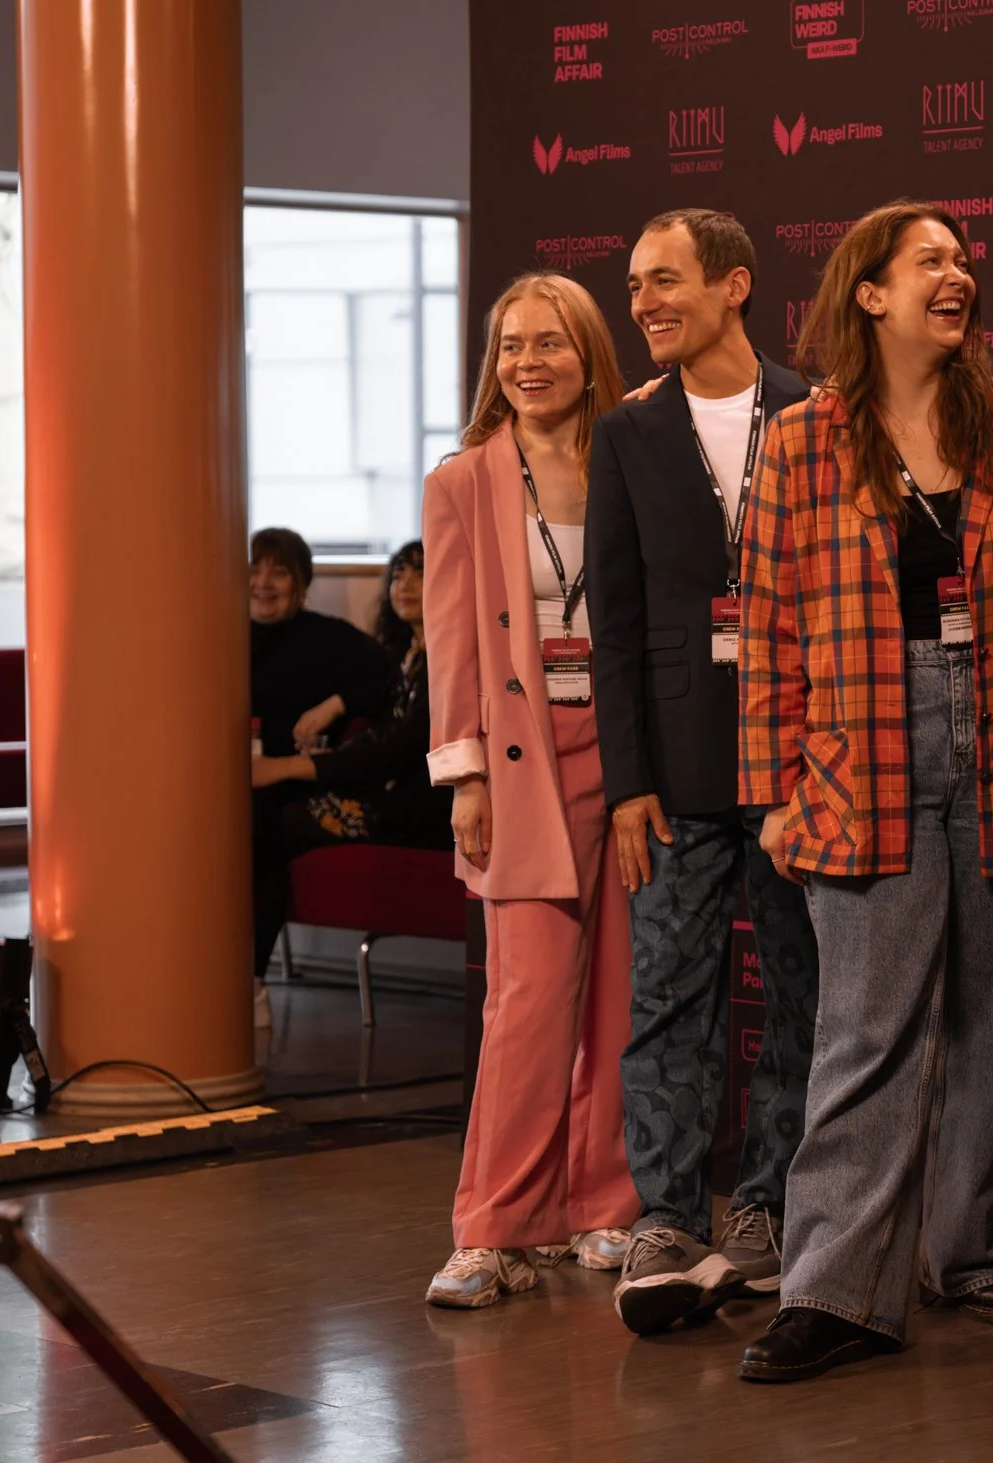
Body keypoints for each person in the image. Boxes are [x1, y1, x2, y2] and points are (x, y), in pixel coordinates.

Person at [733, 200, 993, 1384]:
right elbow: (765, 629)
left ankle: (971, 1255)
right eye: (928, 259)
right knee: (864, 1031)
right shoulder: (805, 436)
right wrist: (771, 790)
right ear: (867, 294)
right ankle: (834, 1290)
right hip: (859, 749)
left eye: (963, 258)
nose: (956, 272)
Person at [585, 209, 820, 1335]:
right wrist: (625, 781)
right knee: (668, 998)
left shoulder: (819, 411)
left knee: (799, 996)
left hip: (795, 771)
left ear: (735, 283)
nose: (643, 303)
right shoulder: (625, 434)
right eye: (635, 285)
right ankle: (668, 1217)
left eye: (664, 279)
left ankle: (765, 1212)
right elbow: (615, 625)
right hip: (673, 774)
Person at [418, 271, 642, 1307]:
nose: (527, 363)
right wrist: (463, 773)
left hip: (628, 747)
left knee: (621, 990)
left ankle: (601, 1204)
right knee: (528, 996)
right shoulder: (464, 478)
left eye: (548, 343)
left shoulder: (633, 455)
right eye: (510, 346)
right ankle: (492, 1224)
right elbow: (452, 635)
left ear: (586, 351)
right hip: (517, 755)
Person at [250, 540, 452, 997]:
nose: (406, 585)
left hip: (422, 805)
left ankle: (251, 980)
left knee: (278, 822)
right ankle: (247, 977)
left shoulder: (447, 658)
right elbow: (377, 727)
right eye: (399, 574)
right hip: (390, 790)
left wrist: (288, 768)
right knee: (261, 815)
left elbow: (396, 749)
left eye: (420, 574)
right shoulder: (409, 654)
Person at [248, 526, 394, 757]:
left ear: (301, 582)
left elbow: (389, 675)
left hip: (303, 780)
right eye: (253, 571)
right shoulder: (222, 637)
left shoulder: (329, 636)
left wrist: (336, 705)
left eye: (279, 573)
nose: (263, 583)